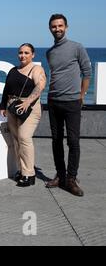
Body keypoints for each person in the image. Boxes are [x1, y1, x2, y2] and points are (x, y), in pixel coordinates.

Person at [45, 14, 92, 196]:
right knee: (56, 141)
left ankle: (71, 179)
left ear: (66, 27)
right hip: (53, 100)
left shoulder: (77, 47)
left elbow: (87, 72)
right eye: (54, 26)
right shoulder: (50, 52)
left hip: (72, 101)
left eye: (60, 25)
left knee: (73, 141)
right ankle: (61, 175)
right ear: (50, 28)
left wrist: (81, 95)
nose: (57, 29)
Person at [0, 43, 46, 187]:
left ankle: (29, 174)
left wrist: (28, 101)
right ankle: (21, 170)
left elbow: (40, 86)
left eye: (26, 53)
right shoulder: (13, 70)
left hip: (30, 108)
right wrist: (3, 106)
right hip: (13, 107)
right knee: (16, 140)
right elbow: (6, 89)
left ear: (33, 55)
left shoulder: (36, 69)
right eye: (21, 52)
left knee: (24, 138)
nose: (23, 55)